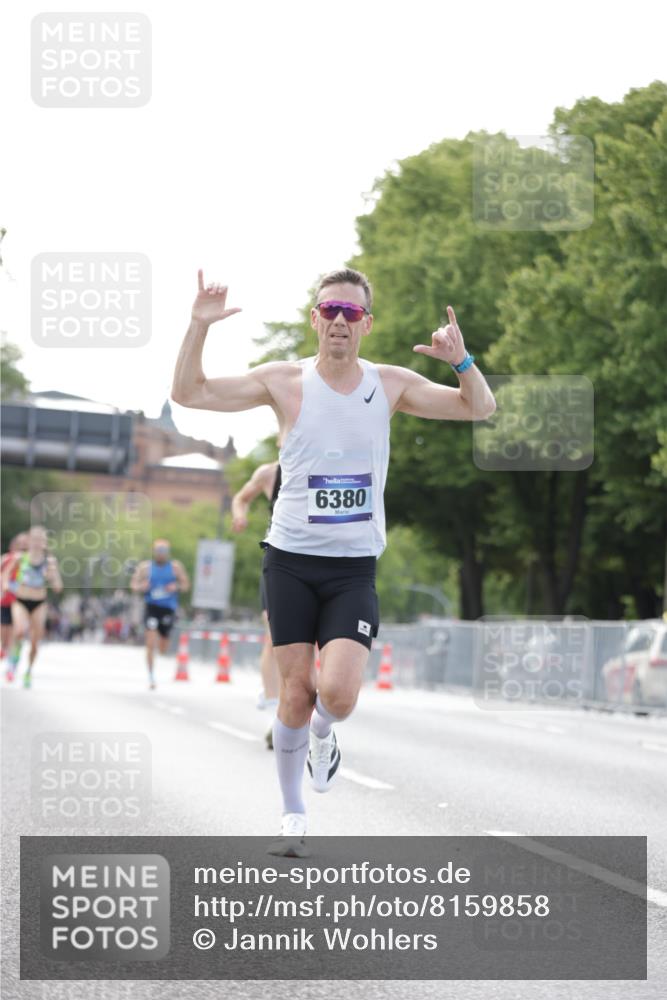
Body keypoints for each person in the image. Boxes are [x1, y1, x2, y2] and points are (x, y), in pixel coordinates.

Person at [172, 266, 496, 855]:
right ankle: (293, 813)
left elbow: (479, 409)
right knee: (295, 692)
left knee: (337, 695)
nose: (339, 322)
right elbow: (188, 394)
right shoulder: (284, 381)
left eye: (351, 313)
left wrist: (462, 362)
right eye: (330, 311)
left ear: (367, 324)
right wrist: (199, 328)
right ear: (315, 319)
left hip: (352, 567)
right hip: (289, 560)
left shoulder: (390, 385)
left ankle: (325, 735)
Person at [231, 459, 282, 749]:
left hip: (321, 562)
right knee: (276, 636)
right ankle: (276, 710)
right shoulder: (269, 473)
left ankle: (300, 710)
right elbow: (241, 497)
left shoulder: (325, 461)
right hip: (281, 560)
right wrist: (240, 514)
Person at [1, 526, 63, 688]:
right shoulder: (20, 558)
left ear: (44, 543)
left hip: (39, 603)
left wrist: (53, 581)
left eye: (40, 540)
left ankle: (28, 671)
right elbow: (6, 574)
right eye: (34, 539)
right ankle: (14, 662)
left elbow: (57, 583)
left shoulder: (49, 561)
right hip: (20, 600)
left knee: (35, 642)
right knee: (20, 630)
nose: (36, 543)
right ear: (29, 541)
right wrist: (7, 584)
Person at [130, 539, 190, 689]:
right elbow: (133, 585)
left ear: (167, 553)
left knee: (163, 647)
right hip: (152, 607)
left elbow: (185, 585)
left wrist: (175, 586)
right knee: (150, 642)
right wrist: (141, 586)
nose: (160, 554)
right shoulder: (145, 567)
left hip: (168, 608)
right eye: (158, 551)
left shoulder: (175, 567)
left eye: (163, 551)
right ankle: (151, 676)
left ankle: (161, 646)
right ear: (154, 552)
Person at [1, 532, 29, 680]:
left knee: (17, 634)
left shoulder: (31, 561)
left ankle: (12, 667)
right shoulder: (6, 559)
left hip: (22, 603)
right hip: (5, 601)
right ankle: (4, 653)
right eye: (20, 544)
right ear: (13, 545)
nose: (23, 547)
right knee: (4, 637)